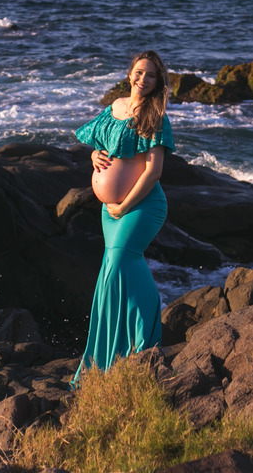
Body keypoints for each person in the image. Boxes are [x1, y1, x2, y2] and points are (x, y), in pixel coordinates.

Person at [72, 50, 175, 381]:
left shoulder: (155, 115)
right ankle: (108, 352)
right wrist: (93, 155)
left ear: (158, 83)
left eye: (151, 76)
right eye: (139, 72)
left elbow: (153, 172)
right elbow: (97, 142)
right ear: (130, 72)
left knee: (120, 262)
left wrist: (123, 206)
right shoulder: (115, 106)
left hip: (142, 206)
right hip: (111, 210)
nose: (143, 80)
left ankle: (145, 341)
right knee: (112, 272)